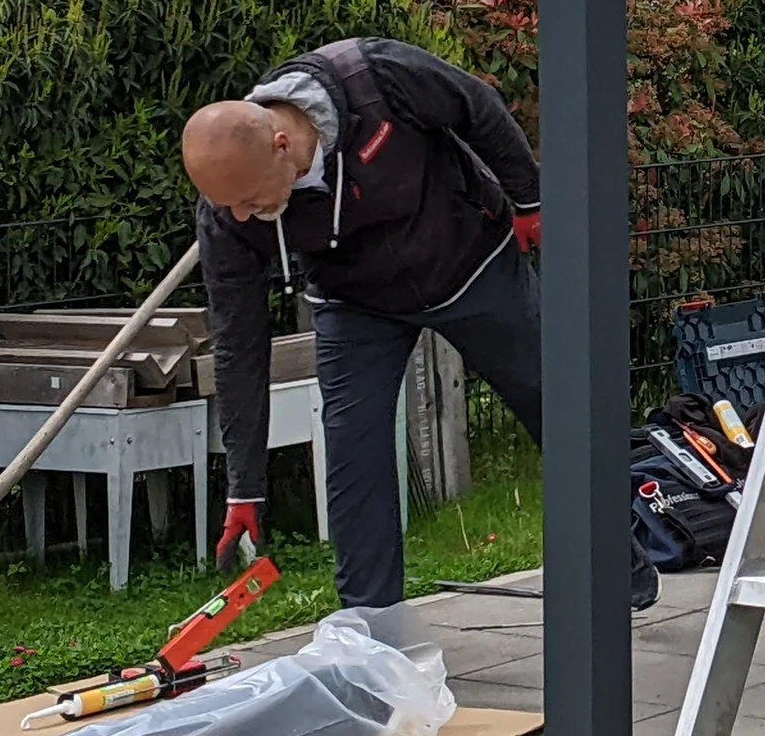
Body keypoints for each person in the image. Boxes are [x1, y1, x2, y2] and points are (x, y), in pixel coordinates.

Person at [183, 35, 660, 611]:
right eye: (228, 206)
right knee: (354, 454)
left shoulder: (375, 78)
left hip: (469, 263)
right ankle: (370, 628)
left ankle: (617, 562)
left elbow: (477, 108)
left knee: (555, 406)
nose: (240, 215)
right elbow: (239, 343)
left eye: (252, 202)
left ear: (283, 145)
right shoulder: (227, 209)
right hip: (354, 302)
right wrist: (245, 485)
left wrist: (529, 201)